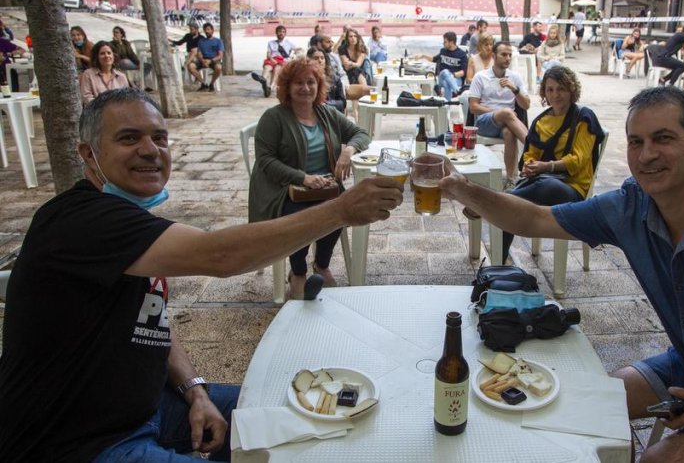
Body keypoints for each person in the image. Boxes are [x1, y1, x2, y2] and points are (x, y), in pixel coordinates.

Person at [440, 86, 684, 463]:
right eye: (636, 142)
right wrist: (462, 188)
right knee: (586, 408)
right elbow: (535, 217)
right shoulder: (631, 206)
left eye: (663, 138)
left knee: (656, 459)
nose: (646, 154)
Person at [0, 88, 403, 462]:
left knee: (309, 417)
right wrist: (340, 210)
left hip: (153, 408)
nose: (150, 150)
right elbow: (221, 256)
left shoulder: (128, 223)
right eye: (128, 138)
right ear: (89, 155)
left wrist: (195, 390)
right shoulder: (79, 220)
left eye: (159, 138)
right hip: (78, 442)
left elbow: (151, 319)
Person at [248, 58, 375, 299]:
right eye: (298, 83)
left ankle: (322, 264)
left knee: (344, 206)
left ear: (319, 86)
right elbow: (265, 161)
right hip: (284, 188)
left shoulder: (325, 113)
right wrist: (303, 178)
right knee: (301, 214)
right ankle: (297, 273)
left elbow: (361, 133)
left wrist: (348, 150)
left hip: (324, 186)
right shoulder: (273, 118)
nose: (305, 88)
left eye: (311, 82)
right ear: (287, 86)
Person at [499, 66, 602, 260]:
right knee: (509, 209)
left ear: (571, 90)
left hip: (574, 188)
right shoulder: (541, 121)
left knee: (534, 189)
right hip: (542, 183)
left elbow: (579, 161)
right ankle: (499, 261)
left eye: (561, 89)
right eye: (550, 89)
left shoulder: (583, 117)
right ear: (544, 92)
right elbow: (531, 153)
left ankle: (498, 200)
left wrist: (547, 166)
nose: (555, 95)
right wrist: (530, 165)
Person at [468, 41, 530, 188]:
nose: (507, 58)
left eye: (510, 55)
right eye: (504, 54)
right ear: (494, 56)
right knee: (507, 112)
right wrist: (500, 112)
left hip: (508, 122)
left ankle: (510, 180)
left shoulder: (515, 78)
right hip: (485, 122)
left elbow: (526, 105)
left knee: (509, 132)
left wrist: (514, 89)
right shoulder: (480, 77)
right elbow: (473, 107)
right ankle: (534, 146)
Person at [415, 31, 468, 101]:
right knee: (445, 72)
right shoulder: (443, 51)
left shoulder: (462, 54)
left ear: (451, 42)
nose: (443, 43)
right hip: (441, 77)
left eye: (445, 42)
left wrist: (451, 75)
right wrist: (423, 56)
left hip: (456, 78)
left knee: (446, 83)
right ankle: (457, 90)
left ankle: (447, 105)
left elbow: (463, 72)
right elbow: (434, 59)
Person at [318, 34, 370, 102]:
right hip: (326, 89)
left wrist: (344, 83)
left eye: (331, 41)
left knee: (369, 90)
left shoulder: (334, 56)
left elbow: (342, 73)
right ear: (319, 43)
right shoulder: (315, 56)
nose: (331, 44)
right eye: (328, 42)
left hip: (340, 86)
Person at [252, 25, 297, 98]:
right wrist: (271, 59)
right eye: (279, 32)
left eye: (283, 32)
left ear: (285, 34)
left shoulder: (288, 43)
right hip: (272, 59)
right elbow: (268, 53)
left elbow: (298, 50)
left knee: (277, 69)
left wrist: (292, 57)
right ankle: (263, 79)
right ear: (276, 33)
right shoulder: (271, 43)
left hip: (282, 60)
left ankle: (270, 88)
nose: (281, 33)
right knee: (267, 67)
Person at [110, 26, 153, 91]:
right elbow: (117, 55)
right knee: (125, 61)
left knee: (148, 66)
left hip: (129, 62)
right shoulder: (112, 44)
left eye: (117, 32)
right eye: (114, 32)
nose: (115, 34)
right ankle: (137, 84)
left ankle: (139, 82)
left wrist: (138, 63)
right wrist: (117, 43)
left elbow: (131, 54)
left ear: (121, 34)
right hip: (120, 63)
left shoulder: (126, 43)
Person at [188, 22, 224, 92]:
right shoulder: (201, 41)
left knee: (219, 67)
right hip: (203, 60)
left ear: (212, 30)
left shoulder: (218, 41)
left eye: (208, 29)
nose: (206, 31)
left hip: (213, 60)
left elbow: (220, 55)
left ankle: (212, 83)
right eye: (205, 30)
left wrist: (210, 61)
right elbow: (199, 53)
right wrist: (202, 61)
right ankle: (203, 84)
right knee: (190, 66)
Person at [308, 46, 346, 112]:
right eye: (316, 58)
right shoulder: (306, 79)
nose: (320, 61)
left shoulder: (334, 78)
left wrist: (327, 104)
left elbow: (342, 102)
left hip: (331, 113)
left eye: (322, 58)